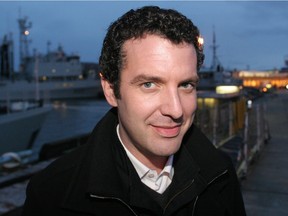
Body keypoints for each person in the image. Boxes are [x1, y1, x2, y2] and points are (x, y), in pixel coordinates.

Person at [22, 6, 246, 216]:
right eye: (149, 84)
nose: (176, 110)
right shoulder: (51, 195)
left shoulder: (221, 174)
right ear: (111, 90)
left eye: (186, 85)